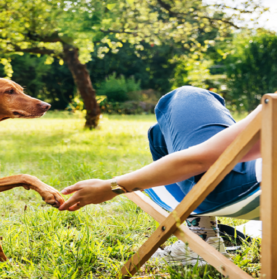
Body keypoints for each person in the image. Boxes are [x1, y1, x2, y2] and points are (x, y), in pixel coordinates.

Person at [59, 86, 262, 265]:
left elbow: (198, 160)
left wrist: (112, 186)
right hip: (260, 199)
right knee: (160, 134)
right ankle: (202, 234)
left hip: (238, 191)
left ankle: (202, 237)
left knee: (189, 96)